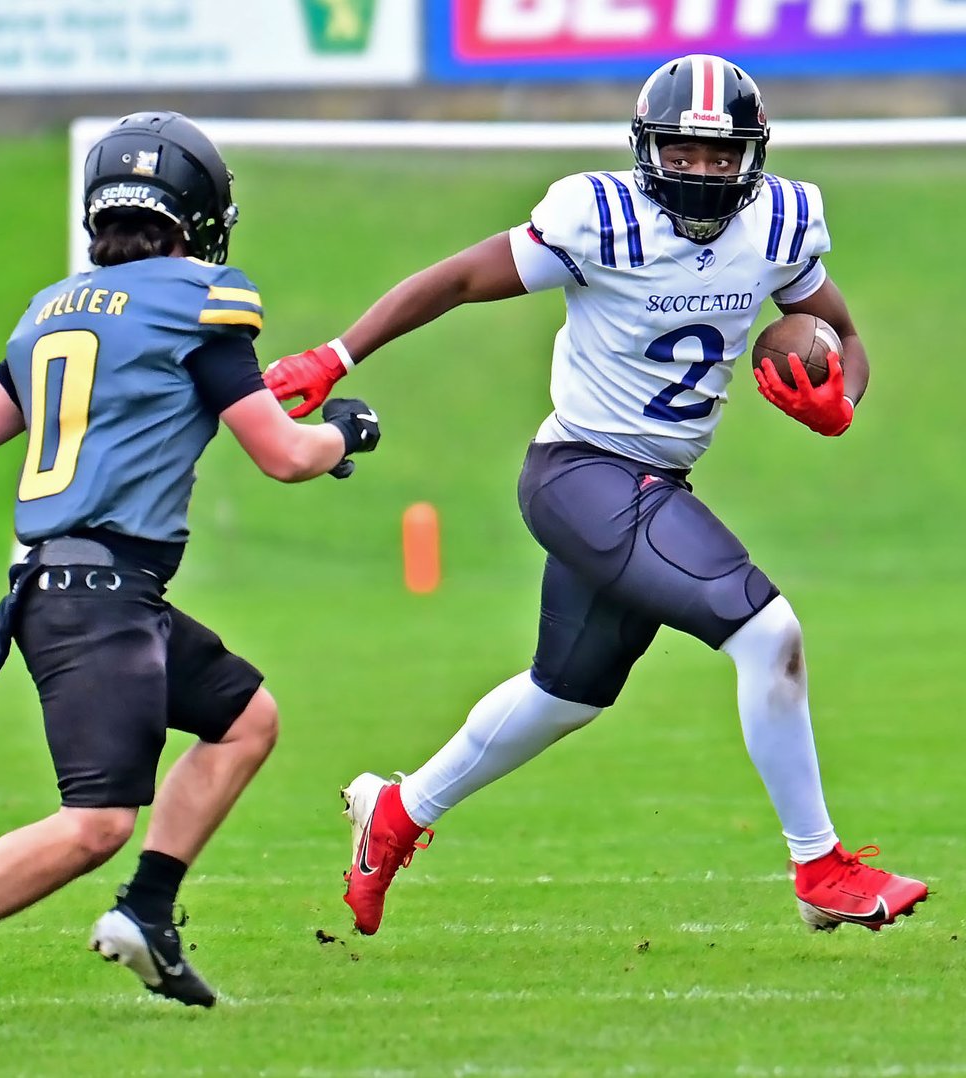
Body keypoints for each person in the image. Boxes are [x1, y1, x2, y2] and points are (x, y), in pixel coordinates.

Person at [264, 54, 928, 939]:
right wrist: (338, 355)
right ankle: (820, 866)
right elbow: (460, 278)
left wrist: (843, 398)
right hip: (583, 471)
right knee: (767, 633)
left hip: (654, 480)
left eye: (718, 154)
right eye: (680, 154)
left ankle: (397, 811)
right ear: (646, 150)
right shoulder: (600, 217)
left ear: (751, 155)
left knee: (567, 692)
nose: (699, 172)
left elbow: (840, 332)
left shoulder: (778, 223)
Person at [0, 111, 382, 1023]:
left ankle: (148, 914)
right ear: (201, 213)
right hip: (99, 599)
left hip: (84, 587)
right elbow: (284, 456)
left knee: (246, 719)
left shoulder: (54, 310)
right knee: (96, 822)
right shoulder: (200, 302)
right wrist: (348, 432)